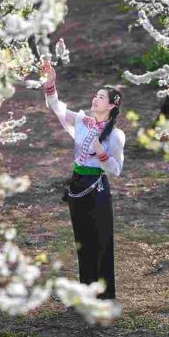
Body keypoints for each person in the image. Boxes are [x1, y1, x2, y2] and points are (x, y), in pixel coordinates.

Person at [41, 59, 125, 300]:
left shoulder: (116, 136)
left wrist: (102, 153)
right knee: (82, 241)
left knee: (100, 241)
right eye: (96, 95)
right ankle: (86, 293)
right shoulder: (81, 122)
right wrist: (51, 83)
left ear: (110, 105)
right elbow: (55, 107)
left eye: (101, 97)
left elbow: (116, 170)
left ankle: (105, 297)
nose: (95, 99)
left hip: (97, 188)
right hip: (77, 185)